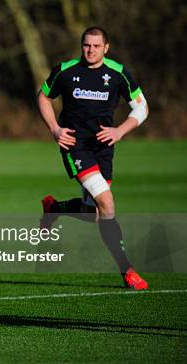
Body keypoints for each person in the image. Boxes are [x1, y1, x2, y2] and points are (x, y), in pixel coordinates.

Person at [38, 26, 149, 290]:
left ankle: (55, 209)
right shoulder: (66, 71)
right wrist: (55, 129)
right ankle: (128, 271)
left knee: (97, 215)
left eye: (96, 46)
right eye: (86, 45)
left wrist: (120, 131)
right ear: (81, 45)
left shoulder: (118, 73)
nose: (90, 50)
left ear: (106, 47)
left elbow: (142, 106)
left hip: (104, 148)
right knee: (107, 204)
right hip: (75, 146)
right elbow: (43, 97)